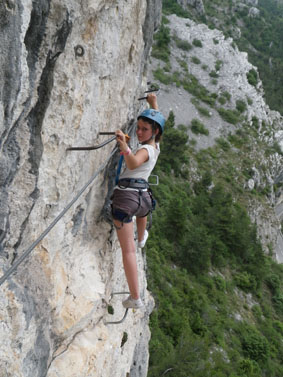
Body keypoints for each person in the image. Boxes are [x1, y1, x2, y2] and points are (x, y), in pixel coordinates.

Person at [111, 93, 165, 309]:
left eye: (144, 129)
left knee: (128, 251)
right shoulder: (156, 146)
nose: (139, 132)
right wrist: (153, 104)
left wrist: (124, 146)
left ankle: (135, 297)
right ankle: (141, 238)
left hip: (126, 198)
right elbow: (158, 117)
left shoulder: (145, 150)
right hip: (143, 197)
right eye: (139, 128)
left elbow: (132, 164)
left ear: (155, 132)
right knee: (142, 213)